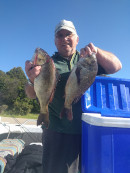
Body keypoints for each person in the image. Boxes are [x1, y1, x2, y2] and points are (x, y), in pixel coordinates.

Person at [25, 19, 122, 173]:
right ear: (55, 42)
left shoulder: (88, 60)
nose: (64, 39)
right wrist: (31, 79)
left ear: (77, 39)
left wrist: (96, 50)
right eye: (60, 36)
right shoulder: (47, 64)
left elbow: (116, 66)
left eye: (68, 34)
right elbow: (31, 95)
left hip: (87, 130)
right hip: (56, 132)